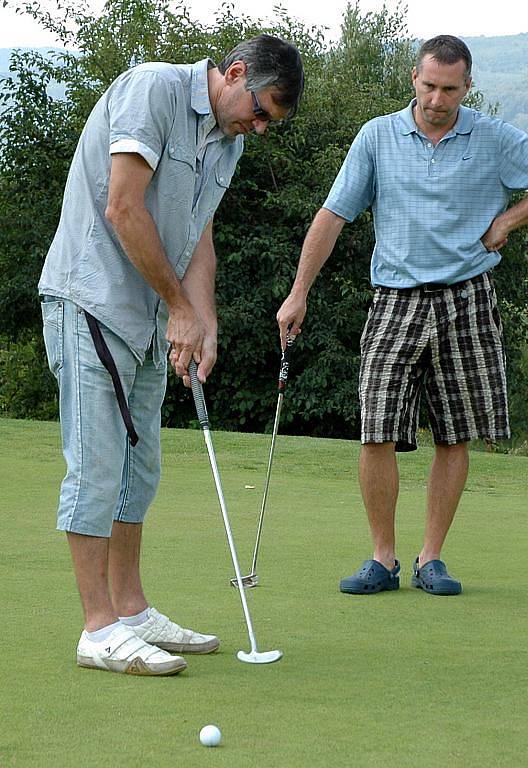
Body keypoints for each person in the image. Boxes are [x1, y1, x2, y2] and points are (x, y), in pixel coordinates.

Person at [277, 35, 528, 597]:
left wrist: (508, 223)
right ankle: (382, 559)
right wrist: (298, 292)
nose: (437, 98)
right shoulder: (376, 135)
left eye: (449, 88)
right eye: (428, 86)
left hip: (467, 298)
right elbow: (332, 215)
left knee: (456, 434)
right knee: (376, 431)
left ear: (467, 87)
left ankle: (431, 559)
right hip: (394, 298)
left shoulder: (492, 138)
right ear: (413, 80)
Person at [39, 34, 304, 675]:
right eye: (261, 110)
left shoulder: (228, 141)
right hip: (93, 299)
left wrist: (202, 319)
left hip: (153, 320)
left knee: (140, 470)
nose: (261, 127)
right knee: (98, 468)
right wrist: (179, 308)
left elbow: (198, 231)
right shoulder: (152, 89)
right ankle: (98, 628)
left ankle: (131, 610)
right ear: (234, 73)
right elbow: (124, 207)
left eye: (271, 121)